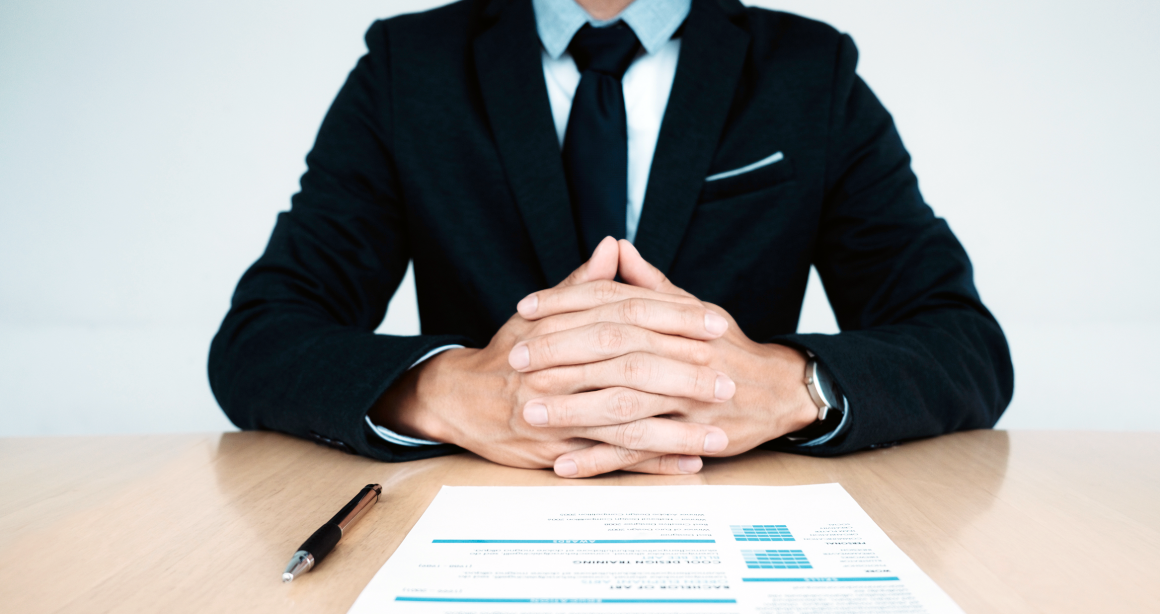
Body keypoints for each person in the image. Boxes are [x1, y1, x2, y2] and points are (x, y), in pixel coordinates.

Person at [208, 0, 1013, 478]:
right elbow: (259, 340)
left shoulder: (809, 70)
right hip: (479, 522)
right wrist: (447, 392)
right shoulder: (407, 67)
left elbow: (964, 343)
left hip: (729, 515)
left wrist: (787, 386)